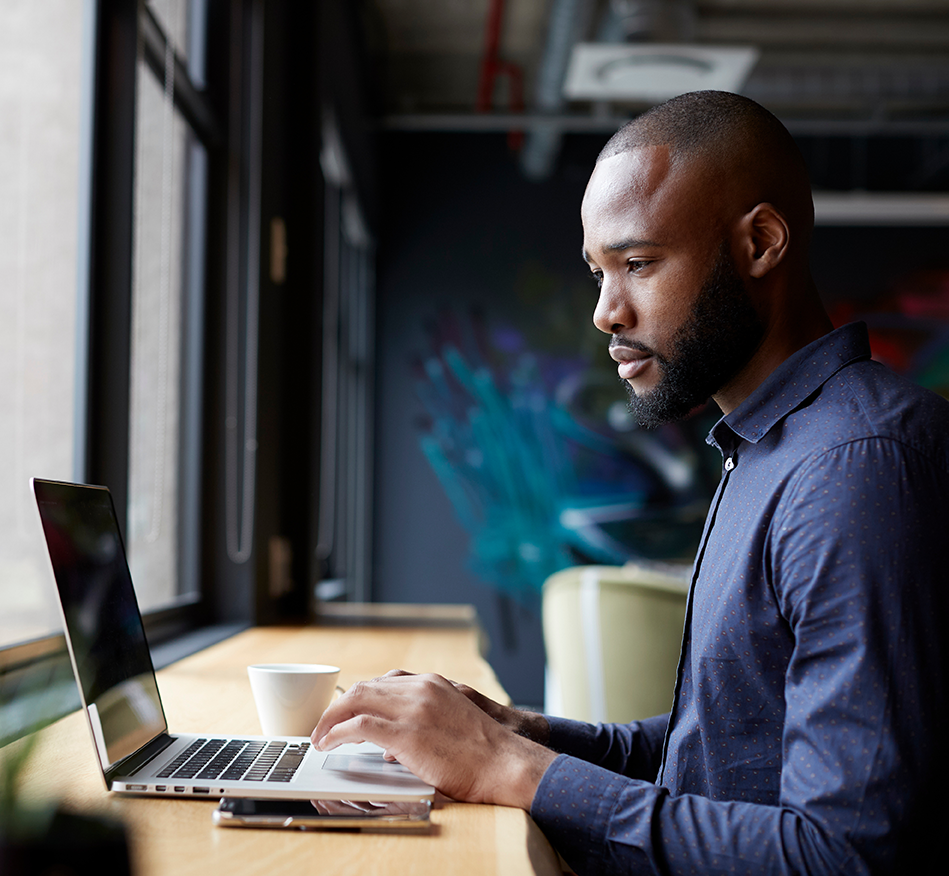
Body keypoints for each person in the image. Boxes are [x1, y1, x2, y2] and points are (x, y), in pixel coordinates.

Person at [311, 91, 949, 874]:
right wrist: (513, 732)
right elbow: (716, 749)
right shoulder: (771, 447)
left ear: (760, 243)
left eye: (638, 263)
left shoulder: (854, 467)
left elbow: (839, 857)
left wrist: (506, 769)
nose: (605, 313)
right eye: (598, 272)